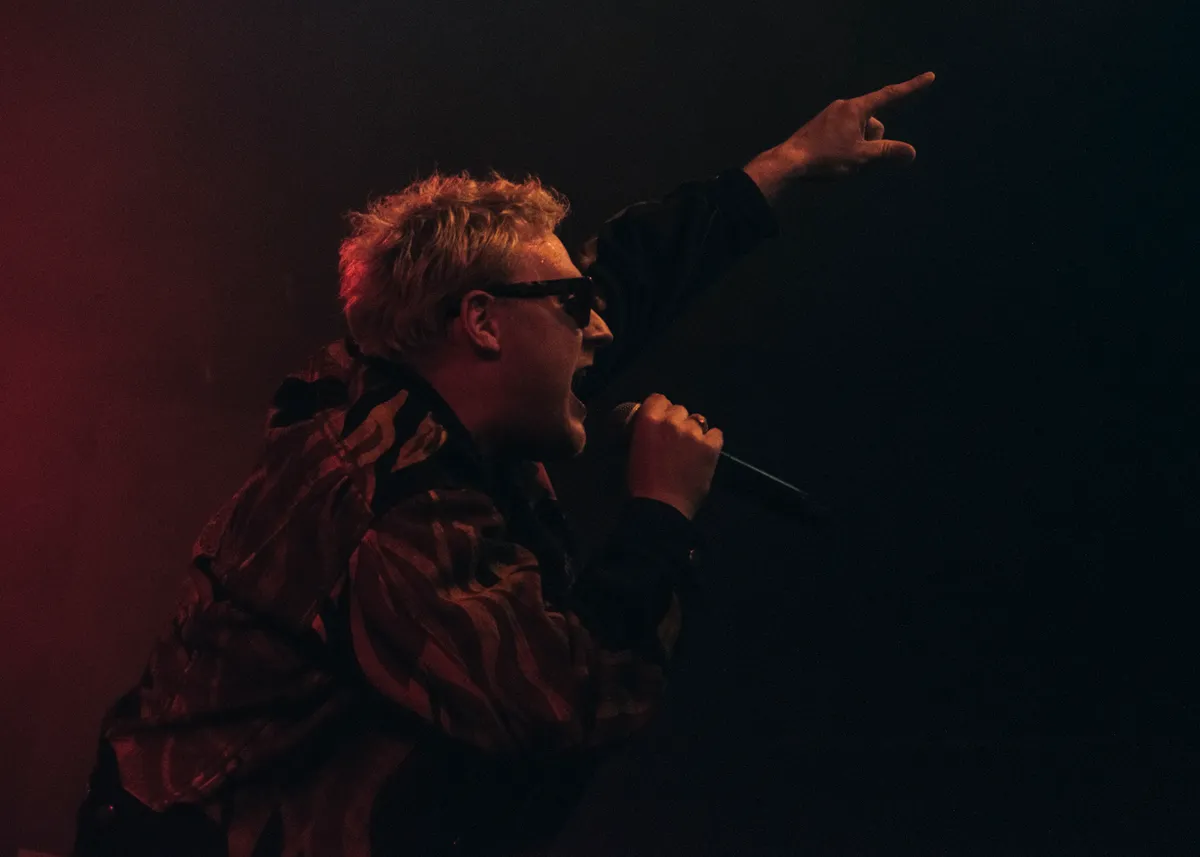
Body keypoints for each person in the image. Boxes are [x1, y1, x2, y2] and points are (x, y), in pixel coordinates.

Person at [73, 72, 935, 857]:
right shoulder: (384, 503)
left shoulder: (421, 405)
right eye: (576, 306)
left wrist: (785, 165)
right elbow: (568, 701)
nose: (600, 326)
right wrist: (660, 515)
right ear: (482, 322)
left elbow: (627, 279)